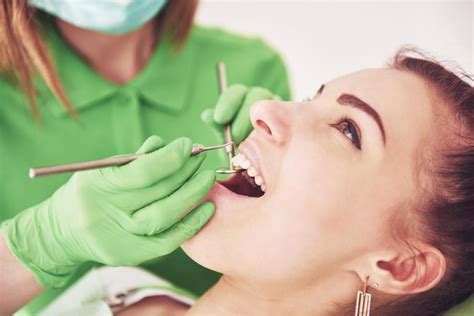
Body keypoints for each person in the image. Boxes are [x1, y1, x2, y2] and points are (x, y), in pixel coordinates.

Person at [37, 48, 474, 315]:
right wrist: (41, 245)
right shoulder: (119, 291)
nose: (262, 112)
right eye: (310, 97)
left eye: (348, 129)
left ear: (398, 266)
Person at [0, 0, 291, 314]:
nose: (274, 117)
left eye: (347, 131)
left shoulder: (252, 68)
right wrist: (46, 240)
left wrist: (275, 178)